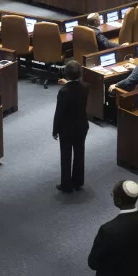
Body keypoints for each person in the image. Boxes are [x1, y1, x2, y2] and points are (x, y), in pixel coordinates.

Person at [53, 60, 89, 193]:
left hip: (66, 129)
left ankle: (66, 185)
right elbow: (75, 89)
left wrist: (55, 131)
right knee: (79, 154)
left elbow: (59, 113)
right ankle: (78, 182)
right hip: (82, 126)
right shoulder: (85, 87)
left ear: (65, 74)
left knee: (66, 156)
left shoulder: (63, 92)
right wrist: (68, 83)